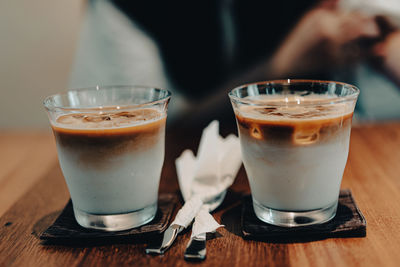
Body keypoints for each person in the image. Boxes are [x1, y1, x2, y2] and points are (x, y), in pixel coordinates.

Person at [69, 0, 400, 129]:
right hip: (177, 187)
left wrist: (384, 38)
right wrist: (281, 67)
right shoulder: (125, 9)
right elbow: (138, 132)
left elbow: (380, 25)